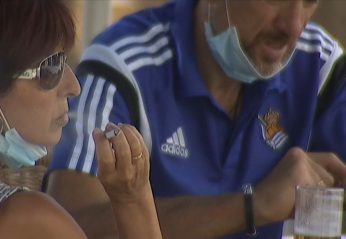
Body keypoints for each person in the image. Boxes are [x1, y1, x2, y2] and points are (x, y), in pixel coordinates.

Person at [46, 0, 346, 238]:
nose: (293, 25)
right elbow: (69, 225)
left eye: (310, 0)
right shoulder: (123, 65)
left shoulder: (319, 63)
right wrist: (253, 205)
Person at [0, 0, 162, 239]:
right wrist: (132, 199)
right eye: (51, 68)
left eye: (64, 60)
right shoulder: (29, 218)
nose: (74, 86)